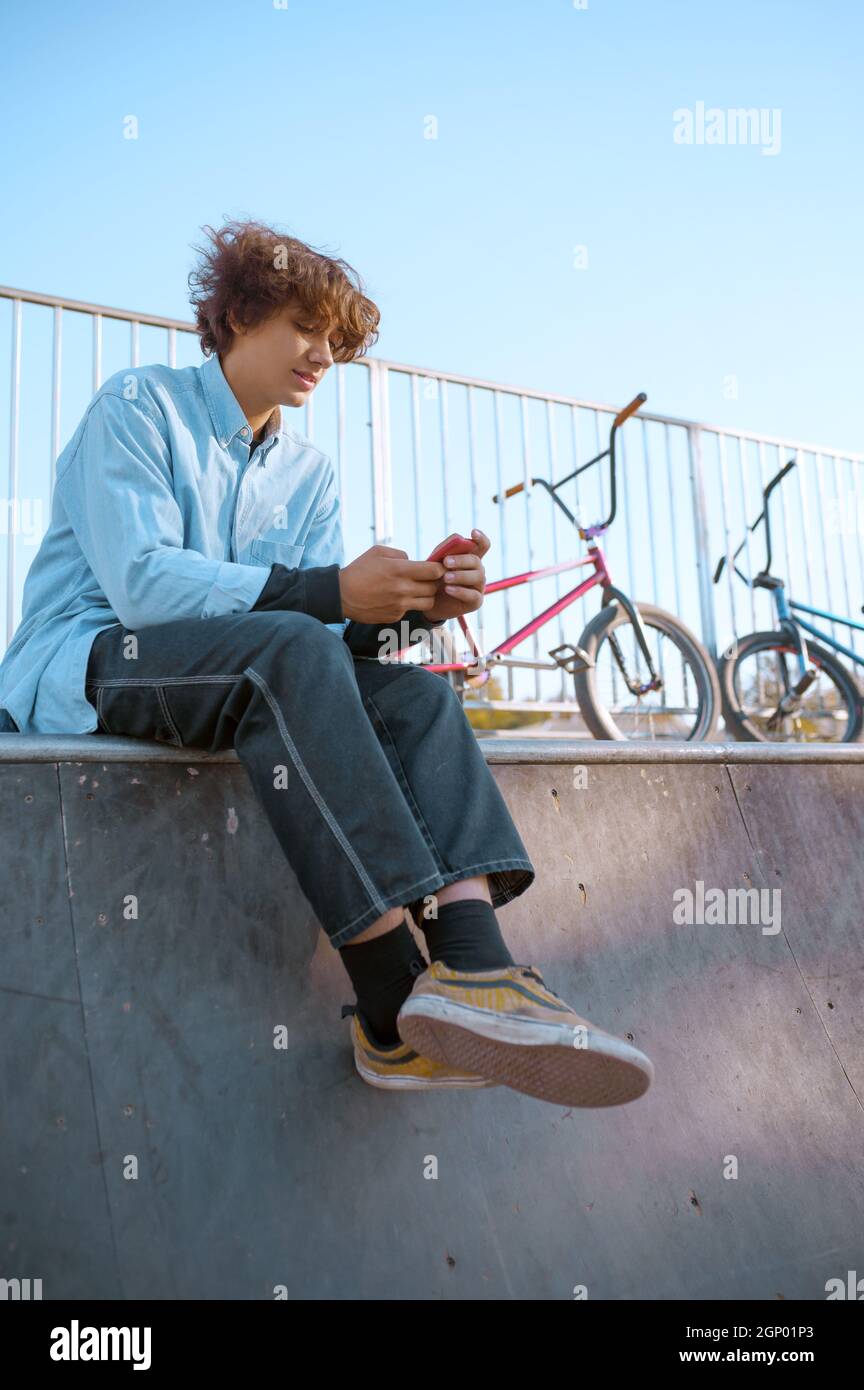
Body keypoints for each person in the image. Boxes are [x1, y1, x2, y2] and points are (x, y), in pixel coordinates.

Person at [0, 218, 653, 1108]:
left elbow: (336, 650)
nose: (323, 355)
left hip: (241, 673)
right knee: (294, 637)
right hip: (87, 660)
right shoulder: (139, 406)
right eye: (304, 329)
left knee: (414, 699)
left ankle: (475, 967)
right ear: (236, 317)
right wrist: (329, 596)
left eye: (336, 342)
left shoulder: (309, 474)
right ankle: (389, 1005)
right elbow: (146, 586)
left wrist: (414, 615)